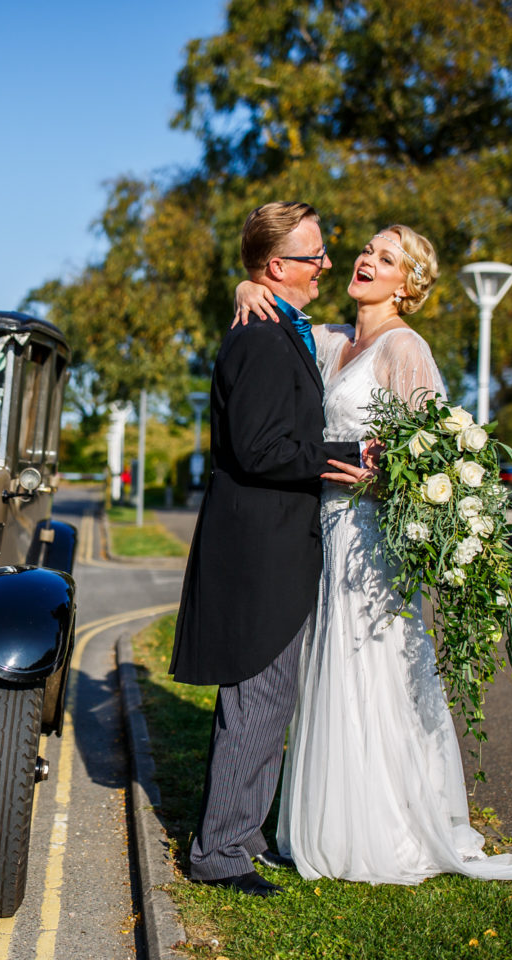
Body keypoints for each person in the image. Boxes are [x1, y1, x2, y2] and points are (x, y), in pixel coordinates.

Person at [233, 226, 512, 884]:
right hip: (319, 531)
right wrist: (247, 283)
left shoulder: (406, 348)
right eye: (368, 251)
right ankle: (321, 820)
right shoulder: (333, 341)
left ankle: (383, 829)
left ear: (408, 284)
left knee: (370, 670)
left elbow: (434, 457)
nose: (367, 261)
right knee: (325, 671)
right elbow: (277, 309)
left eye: (387, 258)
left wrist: (373, 481)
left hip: (370, 540)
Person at [169, 202, 367, 898]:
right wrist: (343, 454)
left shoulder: (278, 324)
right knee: (257, 699)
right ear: (277, 267)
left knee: (268, 700)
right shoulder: (258, 339)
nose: (327, 267)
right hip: (260, 553)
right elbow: (256, 449)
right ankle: (218, 851)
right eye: (314, 256)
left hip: (275, 546)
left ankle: (241, 837)